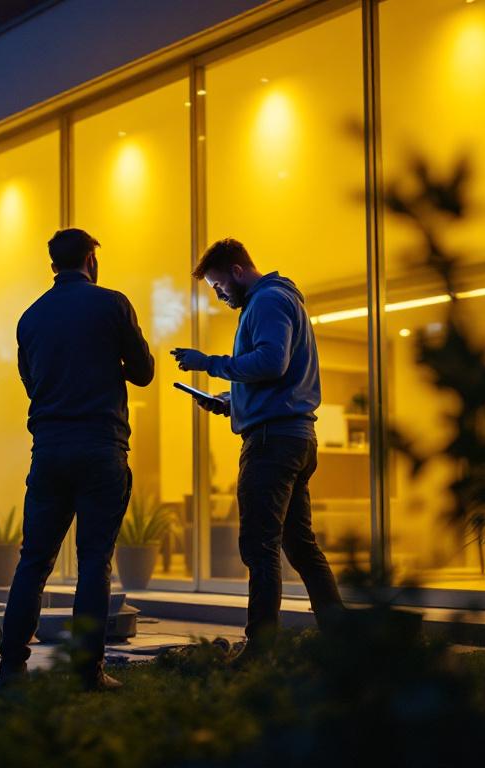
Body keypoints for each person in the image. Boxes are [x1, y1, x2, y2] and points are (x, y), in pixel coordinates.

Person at [0, 228, 154, 691]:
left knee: (33, 562)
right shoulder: (112, 304)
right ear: (91, 260)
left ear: (53, 266)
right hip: (101, 446)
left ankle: (11, 670)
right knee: (94, 562)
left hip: (49, 450)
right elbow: (144, 373)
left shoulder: (30, 317)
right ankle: (88, 672)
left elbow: (31, 381)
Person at [172, 238, 343, 659]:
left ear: (237, 270)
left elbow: (270, 363)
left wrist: (208, 362)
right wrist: (230, 402)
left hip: (271, 443)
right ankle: (342, 640)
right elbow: (279, 380)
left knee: (259, 545)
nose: (219, 295)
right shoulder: (279, 299)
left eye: (218, 286)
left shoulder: (267, 301)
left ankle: (260, 649)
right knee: (299, 545)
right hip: (293, 437)